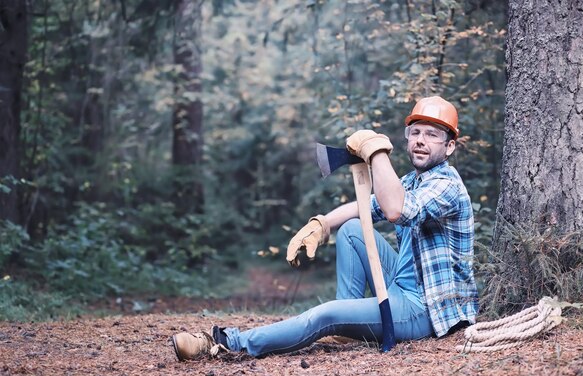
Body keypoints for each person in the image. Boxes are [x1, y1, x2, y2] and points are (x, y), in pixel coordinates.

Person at [171, 96, 479, 360]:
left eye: (432, 135)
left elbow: (396, 210)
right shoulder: (413, 181)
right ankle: (349, 325)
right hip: (400, 287)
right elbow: (366, 206)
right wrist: (321, 224)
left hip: (424, 309)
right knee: (352, 229)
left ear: (450, 147)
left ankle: (226, 343)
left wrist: (377, 152)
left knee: (326, 314)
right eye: (415, 132)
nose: (421, 140)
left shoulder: (447, 185)